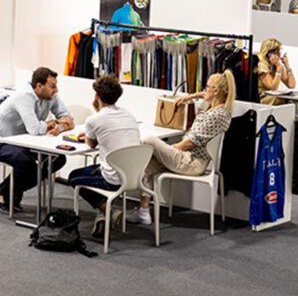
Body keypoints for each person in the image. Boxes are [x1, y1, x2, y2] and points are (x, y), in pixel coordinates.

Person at [130, 71, 236, 225]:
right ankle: (143, 212)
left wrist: (170, 149)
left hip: (192, 162)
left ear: (216, 91)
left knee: (148, 140)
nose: (204, 90)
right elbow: (204, 95)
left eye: (207, 87)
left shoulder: (215, 115)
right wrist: (190, 97)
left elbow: (190, 143)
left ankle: (137, 200)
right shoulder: (220, 109)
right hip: (190, 159)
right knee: (146, 166)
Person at [67, 75, 141, 237]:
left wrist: (95, 118)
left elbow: (91, 144)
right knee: (95, 169)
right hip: (134, 176)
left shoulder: (94, 119)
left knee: (74, 177)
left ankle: (109, 210)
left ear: (98, 96)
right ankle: (103, 215)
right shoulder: (128, 114)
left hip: (112, 180)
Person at [0, 67, 74, 213]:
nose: (56, 90)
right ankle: (9, 193)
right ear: (39, 86)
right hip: (3, 141)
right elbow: (34, 129)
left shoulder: (51, 96)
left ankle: (5, 191)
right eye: (52, 86)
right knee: (25, 162)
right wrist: (53, 122)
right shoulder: (24, 96)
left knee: (58, 158)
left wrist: (58, 126)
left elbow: (69, 119)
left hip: (25, 141)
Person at [256, 38, 296, 105]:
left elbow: (291, 85)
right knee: (287, 102)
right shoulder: (262, 65)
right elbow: (273, 88)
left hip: (271, 96)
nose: (279, 55)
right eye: (276, 52)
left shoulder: (276, 65)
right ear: (268, 53)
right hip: (262, 97)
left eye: (279, 51)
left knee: (294, 100)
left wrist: (287, 66)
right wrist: (279, 69)